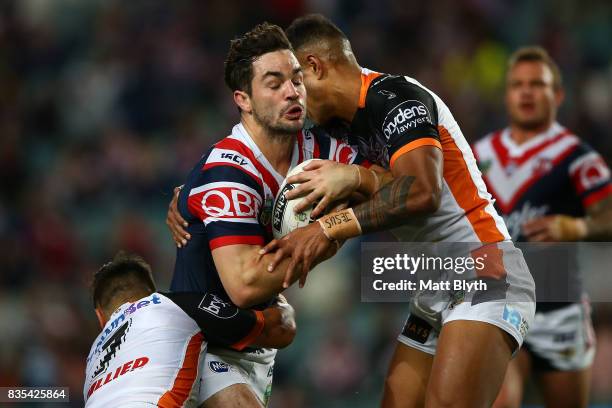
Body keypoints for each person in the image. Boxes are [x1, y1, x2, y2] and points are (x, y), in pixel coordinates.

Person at [256, 14, 536, 408]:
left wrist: (331, 222)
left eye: (292, 83)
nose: (290, 98)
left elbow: (423, 191)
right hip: (434, 285)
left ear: (314, 67)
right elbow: (372, 188)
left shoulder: (396, 99)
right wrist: (193, 194)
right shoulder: (335, 129)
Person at [166, 22, 379, 408]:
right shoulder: (228, 172)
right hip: (205, 344)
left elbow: (395, 184)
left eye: (296, 79)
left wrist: (356, 179)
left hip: (260, 347)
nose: (292, 91)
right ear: (243, 99)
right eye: (274, 82)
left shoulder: (320, 147)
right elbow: (244, 284)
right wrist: (326, 236)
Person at [472, 46, 612, 408]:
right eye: (518, 84)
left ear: (558, 95)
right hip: (498, 302)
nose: (527, 92)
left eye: (538, 84)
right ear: (507, 94)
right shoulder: (477, 154)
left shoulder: (578, 158)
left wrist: (577, 229)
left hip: (558, 305)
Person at [84, 252, 296, 407]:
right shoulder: (170, 305)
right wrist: (281, 304)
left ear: (100, 317)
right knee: (209, 367)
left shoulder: (91, 361)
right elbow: (277, 330)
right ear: (152, 292)